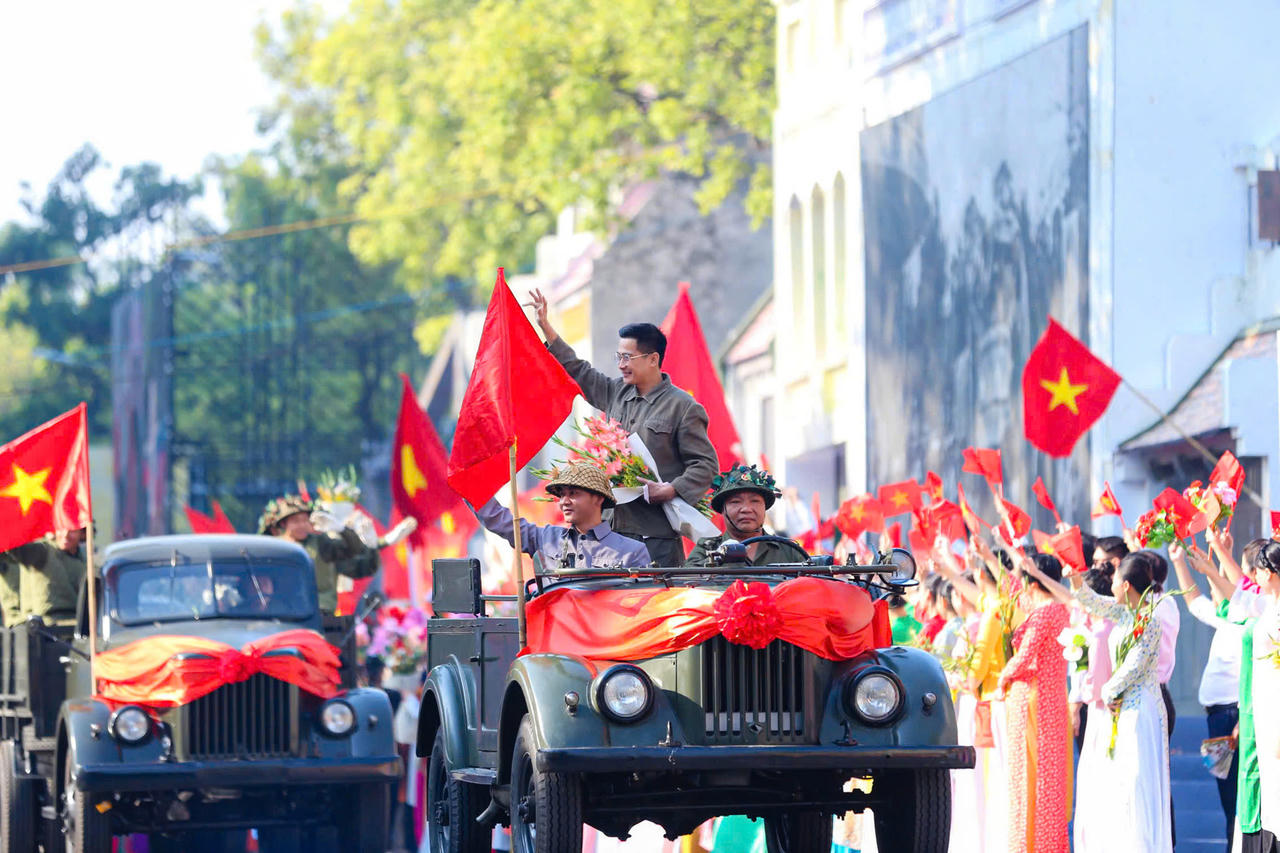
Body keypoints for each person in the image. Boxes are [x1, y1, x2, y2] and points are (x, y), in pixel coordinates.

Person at [528, 290, 718, 566]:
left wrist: (672, 489)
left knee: (655, 605)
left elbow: (706, 465)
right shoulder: (615, 392)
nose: (621, 365)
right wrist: (546, 327)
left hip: (655, 538)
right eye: (618, 357)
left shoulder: (683, 407)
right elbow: (579, 371)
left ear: (653, 359)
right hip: (608, 534)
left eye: (628, 358)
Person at [1062, 550, 1173, 853]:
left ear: (1126, 586)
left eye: (1115, 580)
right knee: (1122, 779)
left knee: (1137, 778)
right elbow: (1091, 601)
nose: (1110, 584)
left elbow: (1134, 665)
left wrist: (1109, 692)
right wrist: (1075, 579)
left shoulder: (1149, 620)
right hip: (1121, 709)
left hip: (1141, 710)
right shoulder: (1124, 612)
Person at [1169, 539, 1243, 849]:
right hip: (1218, 719)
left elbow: (1242, 593)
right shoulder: (1229, 619)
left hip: (1236, 718)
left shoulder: (1251, 620)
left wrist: (1214, 566)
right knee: (1228, 802)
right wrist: (1179, 562)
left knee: (1239, 805)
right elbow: (1194, 602)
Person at [996, 552, 1071, 853]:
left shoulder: (1043, 614)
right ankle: (1049, 842)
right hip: (1053, 700)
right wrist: (996, 556)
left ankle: (1032, 845)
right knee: (1049, 776)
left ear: (1034, 580)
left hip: (1032, 699)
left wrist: (1002, 678)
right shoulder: (1062, 609)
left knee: (1029, 776)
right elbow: (1014, 591)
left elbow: (1024, 657)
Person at [472, 462, 651, 570]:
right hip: (557, 632)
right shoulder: (546, 539)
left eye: (573, 493)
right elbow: (499, 521)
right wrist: (468, 484)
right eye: (562, 494)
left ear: (598, 498)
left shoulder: (632, 552)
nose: (564, 501)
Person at [258, 495, 416, 613]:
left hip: (319, 612)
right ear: (283, 524)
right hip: (282, 613)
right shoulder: (274, 547)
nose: (301, 525)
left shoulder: (321, 543)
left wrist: (343, 531)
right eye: (295, 521)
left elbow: (354, 552)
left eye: (304, 520)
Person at [684, 464, 807, 566]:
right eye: (735, 502)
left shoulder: (788, 550)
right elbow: (687, 582)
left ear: (765, 507)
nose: (746, 509)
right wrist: (718, 558)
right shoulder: (707, 548)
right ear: (723, 510)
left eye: (755, 501)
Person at [1244, 540, 1280, 852]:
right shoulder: (1268, 606)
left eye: (1259, 568)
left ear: (1271, 572)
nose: (1255, 574)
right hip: (1266, 704)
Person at [0, 527, 87, 626]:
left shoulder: (86, 559)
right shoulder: (43, 551)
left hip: (77, 623)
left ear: (82, 533)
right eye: (61, 528)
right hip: (45, 626)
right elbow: (15, 546)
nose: (65, 534)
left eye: (72, 530)